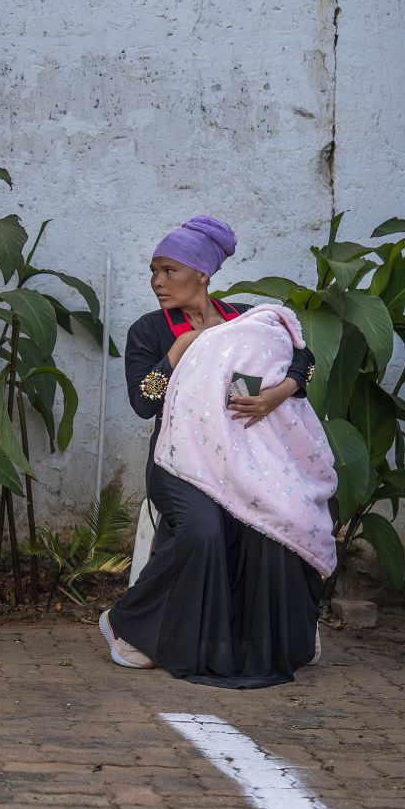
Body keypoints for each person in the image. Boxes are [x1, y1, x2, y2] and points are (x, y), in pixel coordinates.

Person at [100, 216, 331, 689]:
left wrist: (277, 393)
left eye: (169, 271)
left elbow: (301, 359)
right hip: (179, 463)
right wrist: (176, 353)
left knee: (280, 520)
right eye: (153, 271)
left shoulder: (246, 320)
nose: (157, 282)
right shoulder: (151, 331)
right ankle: (125, 623)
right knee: (202, 533)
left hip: (251, 459)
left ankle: (284, 634)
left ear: (201, 274)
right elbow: (143, 401)